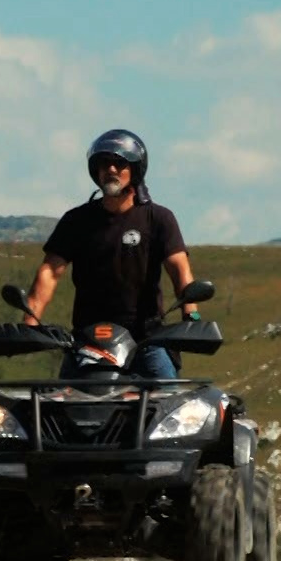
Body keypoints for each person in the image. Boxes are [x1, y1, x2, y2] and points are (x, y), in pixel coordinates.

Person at [22, 128, 199, 379]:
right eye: (104, 164)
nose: (111, 170)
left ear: (136, 169)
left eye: (119, 163)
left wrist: (191, 314)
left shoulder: (158, 218)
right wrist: (30, 320)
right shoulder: (77, 220)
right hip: (88, 343)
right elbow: (50, 271)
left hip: (145, 341)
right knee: (60, 406)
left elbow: (179, 269)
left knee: (171, 404)